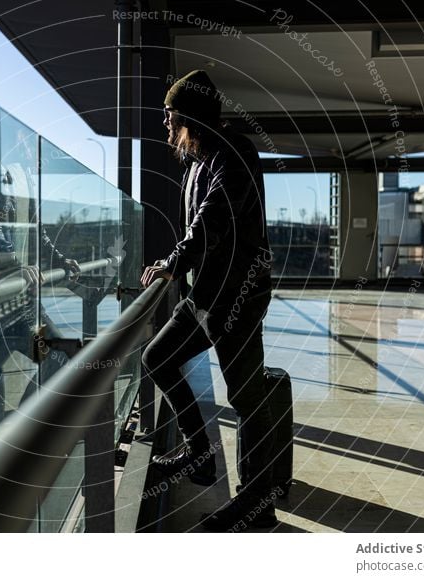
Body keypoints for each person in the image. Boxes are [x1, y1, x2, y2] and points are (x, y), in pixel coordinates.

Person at [140, 69, 276, 531]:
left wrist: (173, 262)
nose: (165, 125)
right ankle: (200, 456)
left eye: (169, 115)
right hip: (209, 297)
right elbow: (203, 225)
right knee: (157, 357)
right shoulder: (199, 160)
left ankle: (255, 506)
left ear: (189, 116)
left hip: (236, 297)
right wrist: (179, 266)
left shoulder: (232, 154)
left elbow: (212, 219)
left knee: (246, 397)